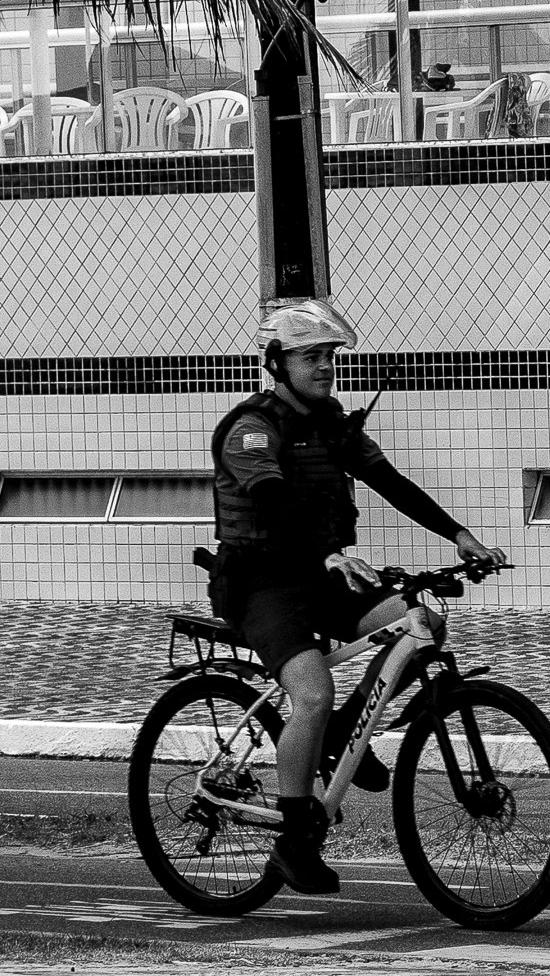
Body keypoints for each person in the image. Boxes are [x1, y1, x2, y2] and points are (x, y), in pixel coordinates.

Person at [208, 299, 507, 894]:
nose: (325, 367)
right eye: (311, 357)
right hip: (261, 583)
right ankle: (295, 842)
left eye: (330, 357)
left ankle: (348, 729)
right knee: (312, 693)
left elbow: (390, 482)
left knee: (421, 621)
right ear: (277, 362)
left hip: (325, 577)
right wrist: (326, 552)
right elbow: (271, 500)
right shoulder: (252, 429)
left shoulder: (334, 426)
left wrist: (459, 534)